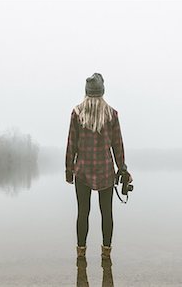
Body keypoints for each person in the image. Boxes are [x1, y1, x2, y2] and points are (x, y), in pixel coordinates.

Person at [65, 72, 132, 260]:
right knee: (107, 213)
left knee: (82, 213)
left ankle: (81, 253)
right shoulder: (111, 114)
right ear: (102, 92)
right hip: (105, 172)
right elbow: (117, 145)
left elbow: (71, 144)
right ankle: (106, 254)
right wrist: (122, 169)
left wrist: (69, 172)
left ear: (86, 92)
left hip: (82, 171)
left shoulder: (77, 112)